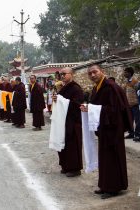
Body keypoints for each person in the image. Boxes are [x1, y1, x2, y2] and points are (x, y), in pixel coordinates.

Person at [80, 64, 131, 199]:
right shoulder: (97, 88)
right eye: (90, 73)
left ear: (102, 72)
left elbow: (115, 111)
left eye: (95, 72)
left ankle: (114, 188)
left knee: (112, 158)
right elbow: (99, 107)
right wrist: (89, 108)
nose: (92, 75)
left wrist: (91, 109)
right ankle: (105, 185)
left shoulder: (110, 87)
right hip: (105, 128)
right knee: (105, 159)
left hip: (113, 129)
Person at [52, 67, 84, 177]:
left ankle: (75, 169)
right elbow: (61, 102)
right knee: (64, 144)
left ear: (71, 74)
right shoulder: (64, 88)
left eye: (64, 74)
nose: (62, 76)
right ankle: (66, 166)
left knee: (72, 146)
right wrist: (57, 99)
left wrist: (61, 101)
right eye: (61, 74)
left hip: (73, 122)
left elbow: (77, 105)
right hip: (64, 121)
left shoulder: (76, 89)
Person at [123, 67, 140, 142]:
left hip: (135, 105)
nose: (124, 73)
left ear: (130, 73)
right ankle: (131, 133)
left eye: (125, 72)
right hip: (129, 105)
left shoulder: (135, 82)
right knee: (130, 120)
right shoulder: (127, 82)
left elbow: (138, 93)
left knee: (138, 120)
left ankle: (138, 134)